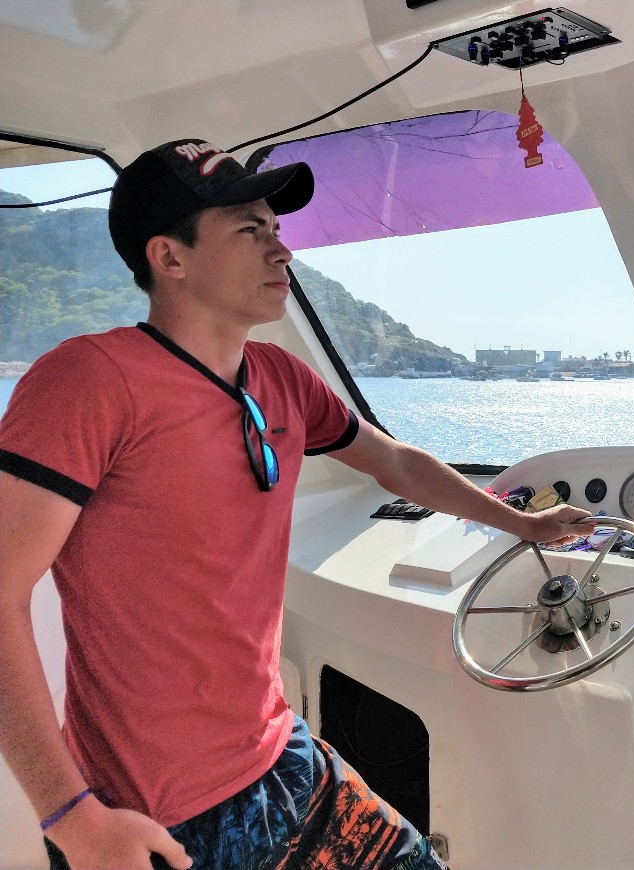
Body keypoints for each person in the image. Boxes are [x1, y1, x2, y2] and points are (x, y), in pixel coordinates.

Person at [0, 139, 593, 870]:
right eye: (250, 230)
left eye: (276, 229)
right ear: (170, 257)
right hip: (156, 811)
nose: (282, 251)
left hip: (281, 756)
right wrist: (72, 820)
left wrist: (523, 522)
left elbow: (395, 462)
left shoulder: (280, 376)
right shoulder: (88, 381)